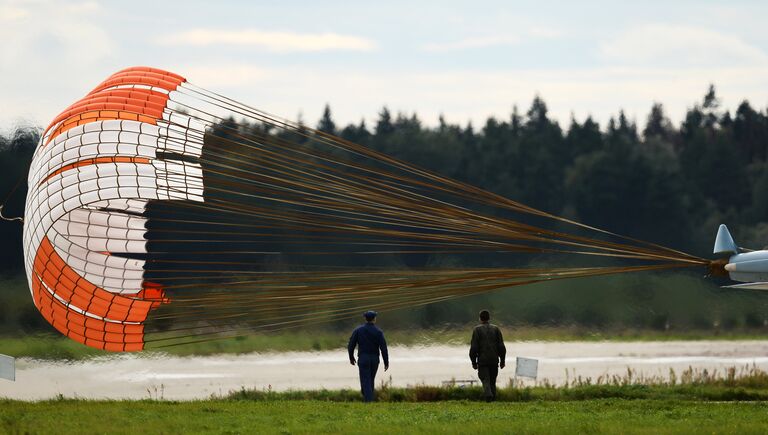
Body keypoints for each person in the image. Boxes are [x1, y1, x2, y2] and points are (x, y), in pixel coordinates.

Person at [348, 310, 389, 402]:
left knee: (365, 380)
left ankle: (368, 401)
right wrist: (386, 362)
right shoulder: (379, 332)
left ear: (365, 319)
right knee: (370, 380)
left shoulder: (358, 330)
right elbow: (383, 348)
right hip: (375, 359)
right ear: (374, 319)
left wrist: (351, 357)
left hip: (363, 358)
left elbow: (351, 345)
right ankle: (368, 398)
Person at [469, 309, 506, 402]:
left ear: (480, 318)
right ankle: (493, 399)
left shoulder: (477, 330)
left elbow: (474, 348)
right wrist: (502, 361)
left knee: (485, 379)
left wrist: (473, 362)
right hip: (494, 360)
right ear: (489, 318)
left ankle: (488, 395)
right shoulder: (496, 329)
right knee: (492, 381)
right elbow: (501, 346)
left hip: (483, 361)